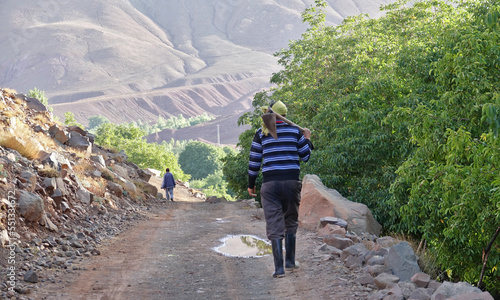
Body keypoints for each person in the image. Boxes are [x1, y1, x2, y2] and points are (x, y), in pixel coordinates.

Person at [247, 100, 312, 278]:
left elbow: (254, 161)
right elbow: (305, 156)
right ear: (285, 115)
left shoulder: (262, 133)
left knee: (274, 223)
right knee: (290, 219)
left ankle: (279, 269)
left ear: (270, 114)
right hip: (291, 183)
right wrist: (307, 138)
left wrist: (251, 184)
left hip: (270, 185)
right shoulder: (295, 131)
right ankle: (290, 261)